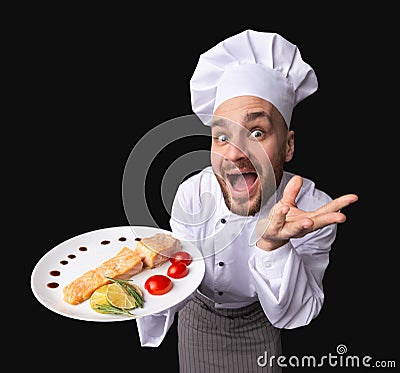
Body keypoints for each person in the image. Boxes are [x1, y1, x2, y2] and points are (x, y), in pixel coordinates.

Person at [135, 29, 358, 372]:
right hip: (197, 322)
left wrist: (272, 244)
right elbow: (177, 270)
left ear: (288, 145)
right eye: (222, 136)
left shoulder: (313, 210)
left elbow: (294, 314)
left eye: (257, 132)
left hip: (259, 328)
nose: (237, 153)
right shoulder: (191, 194)